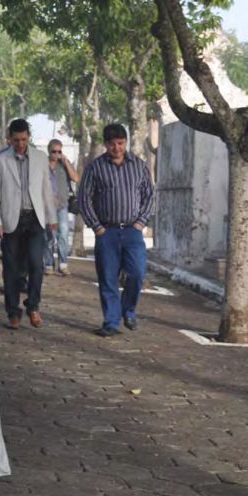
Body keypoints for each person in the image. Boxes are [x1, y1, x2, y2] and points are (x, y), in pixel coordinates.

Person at [78, 123, 156, 337]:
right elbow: (84, 199)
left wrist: (141, 222)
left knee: (137, 273)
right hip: (107, 232)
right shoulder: (95, 167)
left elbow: (149, 196)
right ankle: (111, 322)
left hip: (132, 231)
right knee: (108, 277)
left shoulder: (139, 166)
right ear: (106, 144)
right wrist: (97, 227)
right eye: (112, 144)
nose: (117, 148)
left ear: (126, 143)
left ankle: (128, 310)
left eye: (120, 143)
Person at [0, 118, 57, 329]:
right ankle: (13, 311)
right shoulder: (1, 160)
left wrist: (52, 218)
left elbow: (46, 191)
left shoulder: (40, 158)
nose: (20, 144)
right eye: (16, 140)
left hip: (35, 219)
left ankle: (33, 306)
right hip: (11, 219)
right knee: (11, 268)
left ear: (29, 137)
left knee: (37, 263)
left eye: (24, 139)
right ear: (9, 139)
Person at [44, 139, 81, 276]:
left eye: (59, 151)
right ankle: (48, 264)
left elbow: (76, 178)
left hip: (62, 205)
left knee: (63, 235)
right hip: (47, 206)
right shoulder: (43, 165)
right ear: (49, 151)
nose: (57, 154)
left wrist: (65, 161)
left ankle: (63, 264)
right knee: (49, 236)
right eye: (54, 151)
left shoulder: (64, 165)